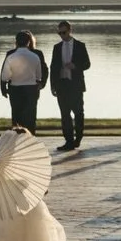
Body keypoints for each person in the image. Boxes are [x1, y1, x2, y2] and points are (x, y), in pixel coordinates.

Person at [50, 18, 91, 151]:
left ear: (70, 31)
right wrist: (53, 86)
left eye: (64, 32)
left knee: (79, 113)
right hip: (62, 85)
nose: (62, 35)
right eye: (60, 33)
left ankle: (78, 138)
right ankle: (68, 141)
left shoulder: (80, 45)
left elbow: (87, 64)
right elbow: (53, 67)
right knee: (65, 114)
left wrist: (75, 66)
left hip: (76, 85)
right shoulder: (57, 47)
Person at [0, 28, 48, 131]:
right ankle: (31, 138)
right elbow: (40, 73)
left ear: (16, 41)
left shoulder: (11, 55)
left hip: (15, 89)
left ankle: (17, 140)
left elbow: (4, 74)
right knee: (31, 116)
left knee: (17, 115)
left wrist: (3, 88)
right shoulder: (36, 55)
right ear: (29, 41)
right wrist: (40, 83)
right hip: (31, 88)